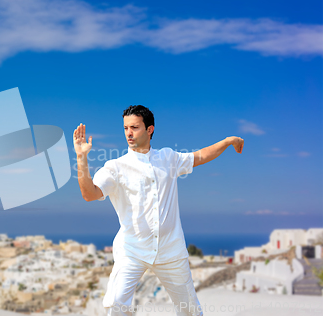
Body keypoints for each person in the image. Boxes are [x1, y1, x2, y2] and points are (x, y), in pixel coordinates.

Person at [73, 105, 244, 316]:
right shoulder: (115, 167)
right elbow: (89, 194)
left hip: (171, 250)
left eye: (134, 127)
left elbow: (200, 156)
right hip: (132, 251)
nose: (129, 133)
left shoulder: (168, 158)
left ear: (150, 129)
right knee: (116, 306)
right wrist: (81, 158)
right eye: (126, 127)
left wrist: (228, 141)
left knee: (190, 311)